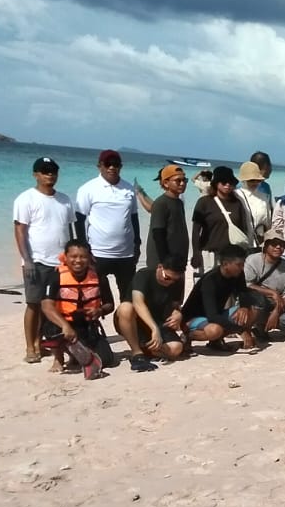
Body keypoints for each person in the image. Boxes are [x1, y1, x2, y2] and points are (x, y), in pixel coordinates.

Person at [13, 156, 74, 364]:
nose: (50, 175)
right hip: (37, 261)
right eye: (45, 171)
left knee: (55, 306)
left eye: (53, 171)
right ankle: (31, 347)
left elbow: (70, 229)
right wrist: (27, 260)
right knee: (33, 304)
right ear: (35, 174)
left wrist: (75, 256)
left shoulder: (65, 200)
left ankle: (43, 342)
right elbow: (20, 230)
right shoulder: (26, 199)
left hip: (62, 262)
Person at [39, 239, 118, 376]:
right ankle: (59, 358)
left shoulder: (99, 276)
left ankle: (76, 355)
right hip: (62, 323)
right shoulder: (55, 276)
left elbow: (110, 304)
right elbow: (46, 306)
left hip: (87, 324)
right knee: (50, 326)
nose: (78, 261)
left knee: (107, 360)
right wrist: (65, 326)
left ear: (89, 258)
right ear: (65, 257)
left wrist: (100, 310)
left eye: (83, 257)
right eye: (73, 256)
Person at [74, 149, 140, 302]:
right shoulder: (88, 189)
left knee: (128, 301)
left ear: (120, 167)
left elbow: (134, 217)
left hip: (125, 255)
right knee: (97, 301)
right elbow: (79, 220)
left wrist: (137, 243)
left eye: (115, 164)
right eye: (108, 164)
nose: (112, 167)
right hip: (97, 254)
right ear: (100, 166)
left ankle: (124, 325)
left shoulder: (128, 188)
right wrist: (84, 248)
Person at [181, 244, 260, 352]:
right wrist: (240, 330)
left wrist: (244, 307)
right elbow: (212, 316)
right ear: (225, 264)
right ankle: (187, 336)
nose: (242, 268)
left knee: (252, 310)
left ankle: (216, 341)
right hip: (194, 318)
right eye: (239, 265)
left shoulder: (237, 274)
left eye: (243, 264)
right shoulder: (210, 281)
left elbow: (243, 292)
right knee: (215, 330)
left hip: (216, 315)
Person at [117, 262, 187, 365]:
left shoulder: (176, 282)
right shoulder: (143, 275)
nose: (170, 282)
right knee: (126, 308)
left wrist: (178, 314)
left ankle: (146, 347)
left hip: (158, 319)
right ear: (160, 267)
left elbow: (174, 305)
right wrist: (154, 328)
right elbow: (138, 302)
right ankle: (137, 352)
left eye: (174, 280)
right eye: (167, 278)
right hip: (133, 320)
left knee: (176, 348)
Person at [191, 166, 254, 274]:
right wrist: (196, 254)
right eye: (224, 182)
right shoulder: (204, 202)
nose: (227, 185)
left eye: (230, 182)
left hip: (232, 256)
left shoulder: (238, 203)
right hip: (209, 255)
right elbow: (196, 231)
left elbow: (244, 229)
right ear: (216, 183)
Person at [246, 228, 285, 340]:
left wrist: (276, 311)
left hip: (276, 304)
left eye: (282, 245)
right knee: (258, 301)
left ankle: (263, 327)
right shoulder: (252, 260)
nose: (278, 247)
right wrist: (271, 292)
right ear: (265, 246)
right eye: (274, 244)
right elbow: (247, 284)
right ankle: (252, 327)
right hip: (255, 301)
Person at [146, 165, 190, 285]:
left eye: (184, 180)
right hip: (164, 263)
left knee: (176, 300)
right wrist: (164, 263)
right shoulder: (161, 203)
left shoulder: (179, 203)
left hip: (177, 261)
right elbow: (158, 234)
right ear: (165, 183)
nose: (182, 183)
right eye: (178, 181)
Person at [237, 161, 271, 244]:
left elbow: (268, 222)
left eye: (257, 180)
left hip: (260, 242)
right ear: (244, 180)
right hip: (242, 241)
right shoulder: (237, 195)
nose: (255, 183)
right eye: (251, 180)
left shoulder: (264, 197)